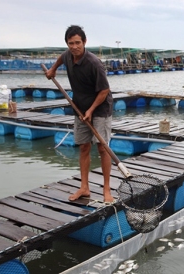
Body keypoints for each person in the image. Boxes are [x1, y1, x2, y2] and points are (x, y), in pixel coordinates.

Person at [45, 25, 114, 203]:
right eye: (70, 43)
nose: (74, 47)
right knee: (84, 146)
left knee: (102, 147)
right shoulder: (68, 55)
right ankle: (84, 187)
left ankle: (107, 189)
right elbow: (61, 58)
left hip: (100, 109)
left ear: (84, 42)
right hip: (79, 107)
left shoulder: (94, 63)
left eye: (77, 43)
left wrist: (91, 111)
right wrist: (53, 69)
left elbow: (104, 91)